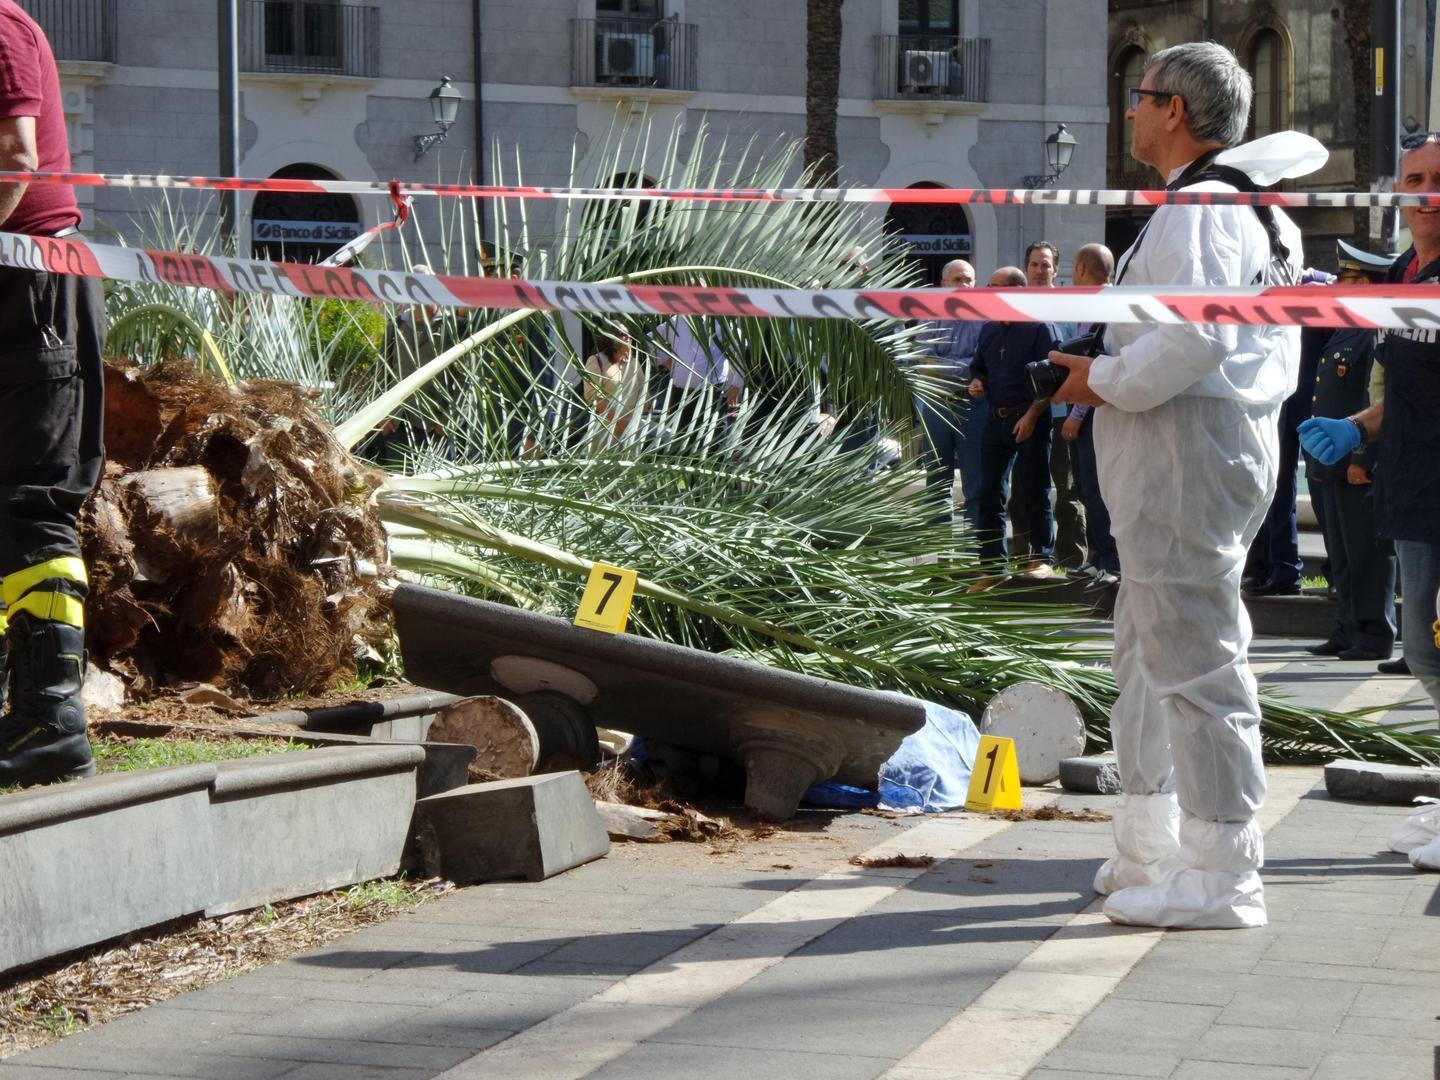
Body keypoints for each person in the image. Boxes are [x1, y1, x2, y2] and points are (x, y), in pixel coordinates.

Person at [1050, 42, 1308, 928]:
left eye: (1139, 95)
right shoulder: (1247, 209)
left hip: (1185, 454)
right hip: (1198, 449)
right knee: (1147, 654)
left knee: (1196, 663)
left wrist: (1100, 381)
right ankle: (1149, 841)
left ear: (1176, 112)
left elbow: (1198, 340)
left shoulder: (1205, 207)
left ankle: (1222, 870)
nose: (1128, 110)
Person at [0, 0, 107, 786]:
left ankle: (50, 717)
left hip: (31, 288)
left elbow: (15, 154)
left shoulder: (1, 26)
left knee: (32, 500)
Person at [1300, 130, 1440, 724]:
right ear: (1399, 196)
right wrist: (1357, 428)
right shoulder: (1402, 276)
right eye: (1416, 182)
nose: (1429, 194)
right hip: (1413, 485)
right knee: (1424, 649)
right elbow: (1401, 386)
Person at [1301, 240, 1397, 662]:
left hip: (1355, 460)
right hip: (1328, 463)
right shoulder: (1348, 327)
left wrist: (1362, 459)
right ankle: (1347, 627)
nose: (1340, 283)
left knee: (1366, 554)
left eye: (1350, 277)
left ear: (1370, 283)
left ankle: (1375, 633)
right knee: (1340, 553)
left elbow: (1372, 394)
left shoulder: (1377, 331)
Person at [967, 267, 1060, 585]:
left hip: (1030, 418)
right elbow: (979, 367)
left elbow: (1051, 380)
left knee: (1034, 488)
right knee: (989, 492)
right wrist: (978, 382)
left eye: (994, 286)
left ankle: (1041, 557)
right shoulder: (990, 329)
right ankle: (991, 566)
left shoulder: (1040, 328)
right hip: (996, 418)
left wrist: (1031, 416)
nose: (987, 291)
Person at [1021, 241, 1087, 572]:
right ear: (1026, 268)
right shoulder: (1015, 307)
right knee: (1029, 486)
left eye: (1045, 265)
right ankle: (1032, 555)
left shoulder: (1068, 307)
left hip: (1062, 411)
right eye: (1034, 264)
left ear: (1055, 270)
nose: (1039, 270)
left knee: (1067, 489)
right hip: (1026, 411)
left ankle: (1074, 562)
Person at [1059, 243, 1120, 586]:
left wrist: (1076, 415)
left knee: (1098, 488)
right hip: (1083, 407)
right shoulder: (1092, 305)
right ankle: (1097, 557)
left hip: (1093, 410)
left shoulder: (1105, 307)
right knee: (1084, 486)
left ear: (1081, 267)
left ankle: (1110, 560)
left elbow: (1096, 363)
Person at [913, 259, 985, 528]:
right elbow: (925, 364)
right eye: (957, 280)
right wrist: (967, 367)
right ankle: (939, 553)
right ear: (943, 284)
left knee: (975, 481)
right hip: (936, 406)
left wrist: (947, 365)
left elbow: (983, 362)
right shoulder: (928, 314)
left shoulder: (984, 317)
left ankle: (973, 549)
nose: (964, 285)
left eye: (968, 280)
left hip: (973, 406)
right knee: (937, 481)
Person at [581, 331, 647, 450]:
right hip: (605, 432)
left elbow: (645, 393)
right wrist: (618, 421)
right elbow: (592, 397)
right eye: (622, 333)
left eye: (629, 333)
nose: (628, 337)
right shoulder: (596, 360)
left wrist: (635, 417)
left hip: (632, 431)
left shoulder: (634, 362)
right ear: (609, 337)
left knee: (632, 468)